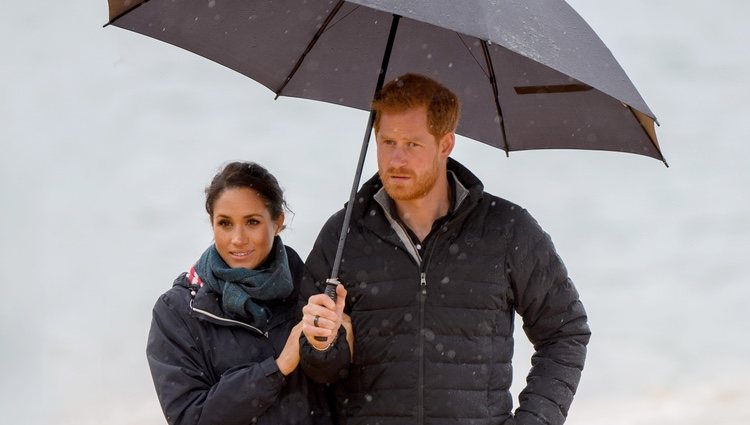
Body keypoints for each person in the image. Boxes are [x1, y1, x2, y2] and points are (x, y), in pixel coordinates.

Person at [299, 74, 591, 425]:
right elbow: (317, 373)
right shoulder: (343, 233)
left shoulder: (507, 230)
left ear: (445, 144)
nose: (396, 159)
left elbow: (565, 331)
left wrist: (534, 420)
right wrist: (320, 345)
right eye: (387, 142)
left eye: (412, 145)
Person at [146, 161, 335, 425]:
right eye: (225, 223)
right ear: (212, 224)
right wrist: (276, 368)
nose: (238, 238)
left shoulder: (314, 292)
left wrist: (340, 347)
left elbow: (349, 392)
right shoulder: (177, 311)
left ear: (278, 222)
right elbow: (190, 418)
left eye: (252, 222)